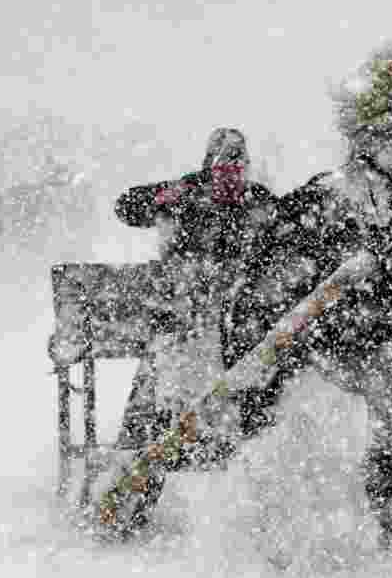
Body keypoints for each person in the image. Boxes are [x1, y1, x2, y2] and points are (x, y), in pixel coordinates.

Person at [113, 127, 279, 448]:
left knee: (173, 356)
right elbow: (126, 206)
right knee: (174, 355)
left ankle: (156, 434)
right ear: (209, 165)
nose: (230, 173)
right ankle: (166, 431)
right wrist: (161, 199)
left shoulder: (254, 199)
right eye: (224, 164)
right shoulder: (188, 193)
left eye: (236, 163)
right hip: (193, 316)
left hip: (219, 319)